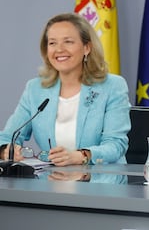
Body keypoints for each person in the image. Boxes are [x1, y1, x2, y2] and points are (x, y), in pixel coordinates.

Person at [0, 12, 131, 166]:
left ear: (87, 47)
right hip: (50, 182)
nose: (59, 49)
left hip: (101, 183)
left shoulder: (112, 86)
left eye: (68, 41)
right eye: (52, 43)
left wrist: (82, 155)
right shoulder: (35, 89)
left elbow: (116, 145)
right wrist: (5, 150)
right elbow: (7, 137)